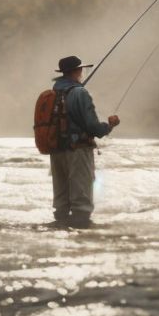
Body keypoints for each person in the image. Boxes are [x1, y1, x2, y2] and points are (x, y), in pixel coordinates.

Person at [49, 55, 120, 228]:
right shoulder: (80, 93)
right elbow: (93, 126)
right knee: (81, 200)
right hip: (78, 150)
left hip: (56, 150)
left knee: (61, 200)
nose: (82, 72)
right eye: (80, 69)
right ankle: (81, 232)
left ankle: (60, 228)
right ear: (76, 71)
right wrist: (109, 125)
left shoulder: (53, 92)